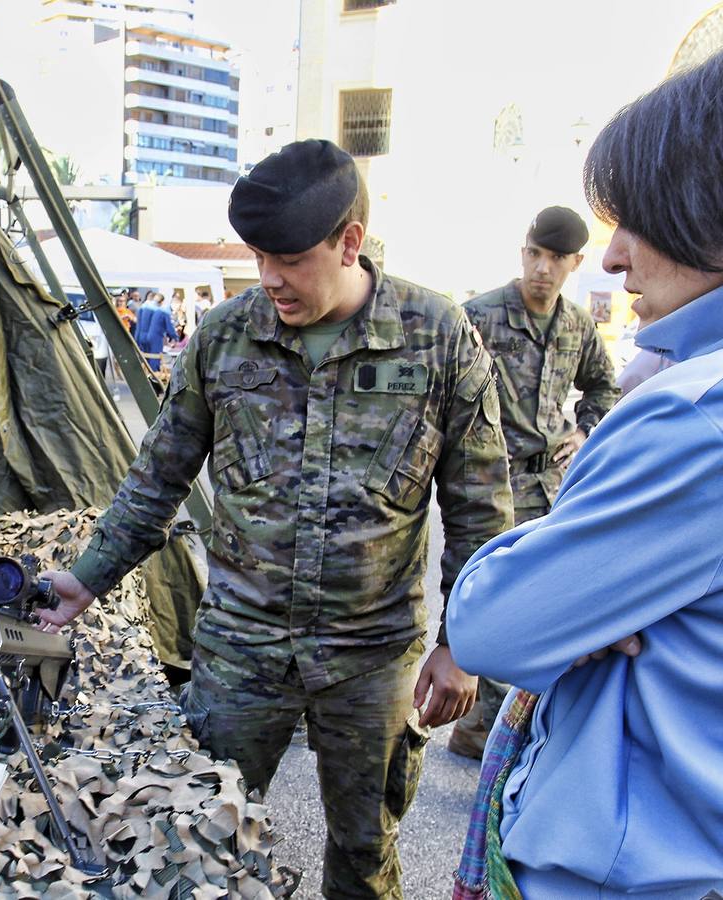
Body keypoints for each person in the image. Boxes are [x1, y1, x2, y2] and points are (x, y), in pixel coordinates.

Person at [38, 139, 513, 898]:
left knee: (366, 858)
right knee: (201, 841)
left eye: (287, 258)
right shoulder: (225, 338)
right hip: (240, 651)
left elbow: (481, 507)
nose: (269, 279)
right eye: (257, 256)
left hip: (372, 657)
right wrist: (86, 580)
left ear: (349, 241)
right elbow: (156, 477)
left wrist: (463, 645)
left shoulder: (438, 335)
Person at [447, 34, 723, 898]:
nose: (612, 257)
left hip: (622, 870)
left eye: (639, 217)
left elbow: (495, 626)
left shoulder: (722, 406)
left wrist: (546, 574)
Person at [449, 206, 618, 758]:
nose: (542, 268)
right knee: (495, 603)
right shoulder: (479, 316)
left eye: (555, 258)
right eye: (533, 254)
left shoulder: (576, 326)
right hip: (491, 482)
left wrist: (586, 431)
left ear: (575, 263)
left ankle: (496, 728)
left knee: (543, 606)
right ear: (523, 253)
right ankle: (480, 726)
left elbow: (603, 386)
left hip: (552, 485)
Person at [133, 289, 176, 371]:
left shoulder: (142, 307)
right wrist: (174, 337)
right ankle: (153, 378)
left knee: (144, 360)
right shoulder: (160, 310)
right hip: (154, 338)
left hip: (140, 337)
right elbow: (168, 327)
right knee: (154, 360)